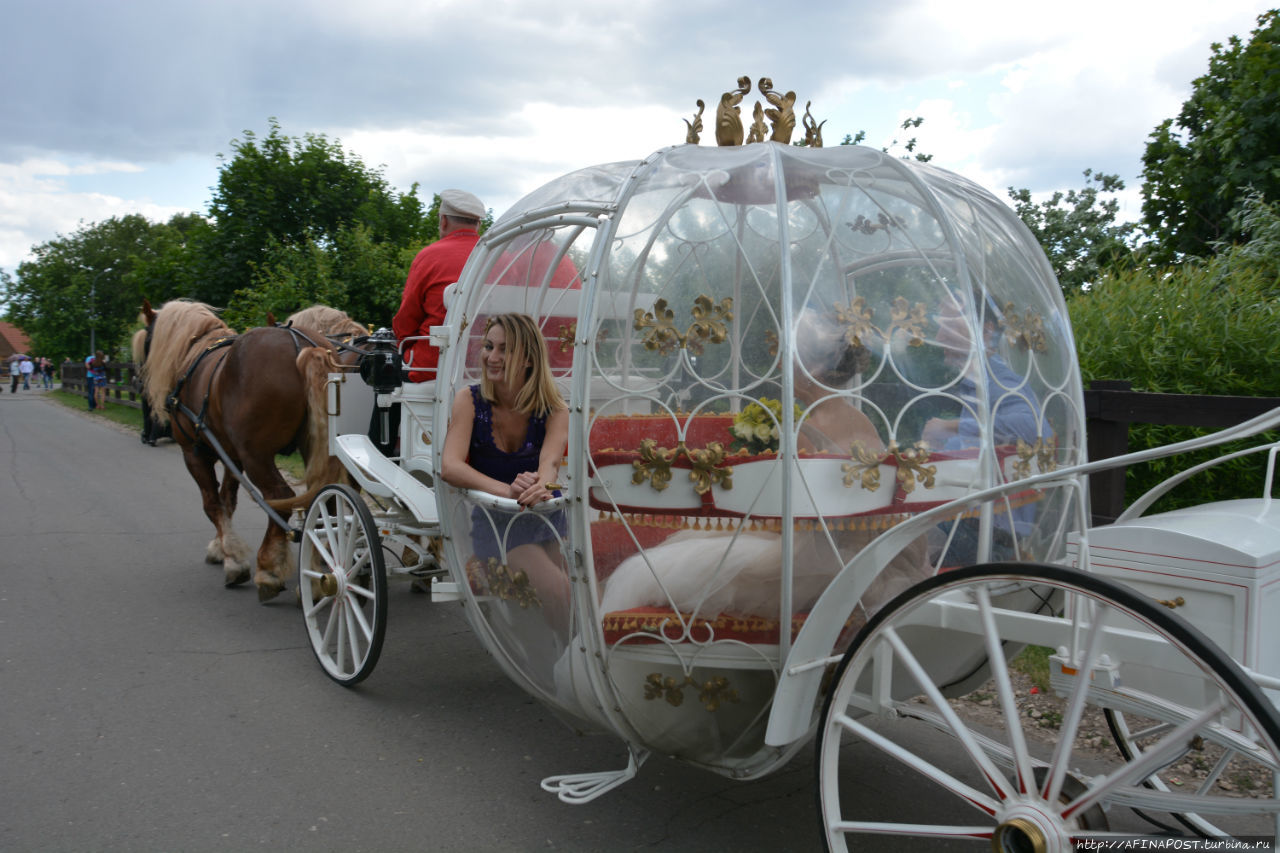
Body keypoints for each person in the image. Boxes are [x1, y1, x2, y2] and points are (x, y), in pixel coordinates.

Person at [440, 313, 570, 629]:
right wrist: (509, 492)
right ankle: (569, 668)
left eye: (504, 349)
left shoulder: (555, 408)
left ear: (528, 358)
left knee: (582, 591)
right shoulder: (469, 401)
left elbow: (550, 463)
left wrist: (541, 485)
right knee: (560, 589)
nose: (492, 357)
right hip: (497, 526)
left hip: (546, 521)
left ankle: (571, 661)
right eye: (488, 346)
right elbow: (450, 466)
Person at [392, 189, 486, 383]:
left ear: (443, 221)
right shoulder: (501, 258)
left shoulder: (429, 257)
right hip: (489, 365)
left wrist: (405, 346)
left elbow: (406, 321)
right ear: (478, 224)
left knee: (382, 372)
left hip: (432, 366)